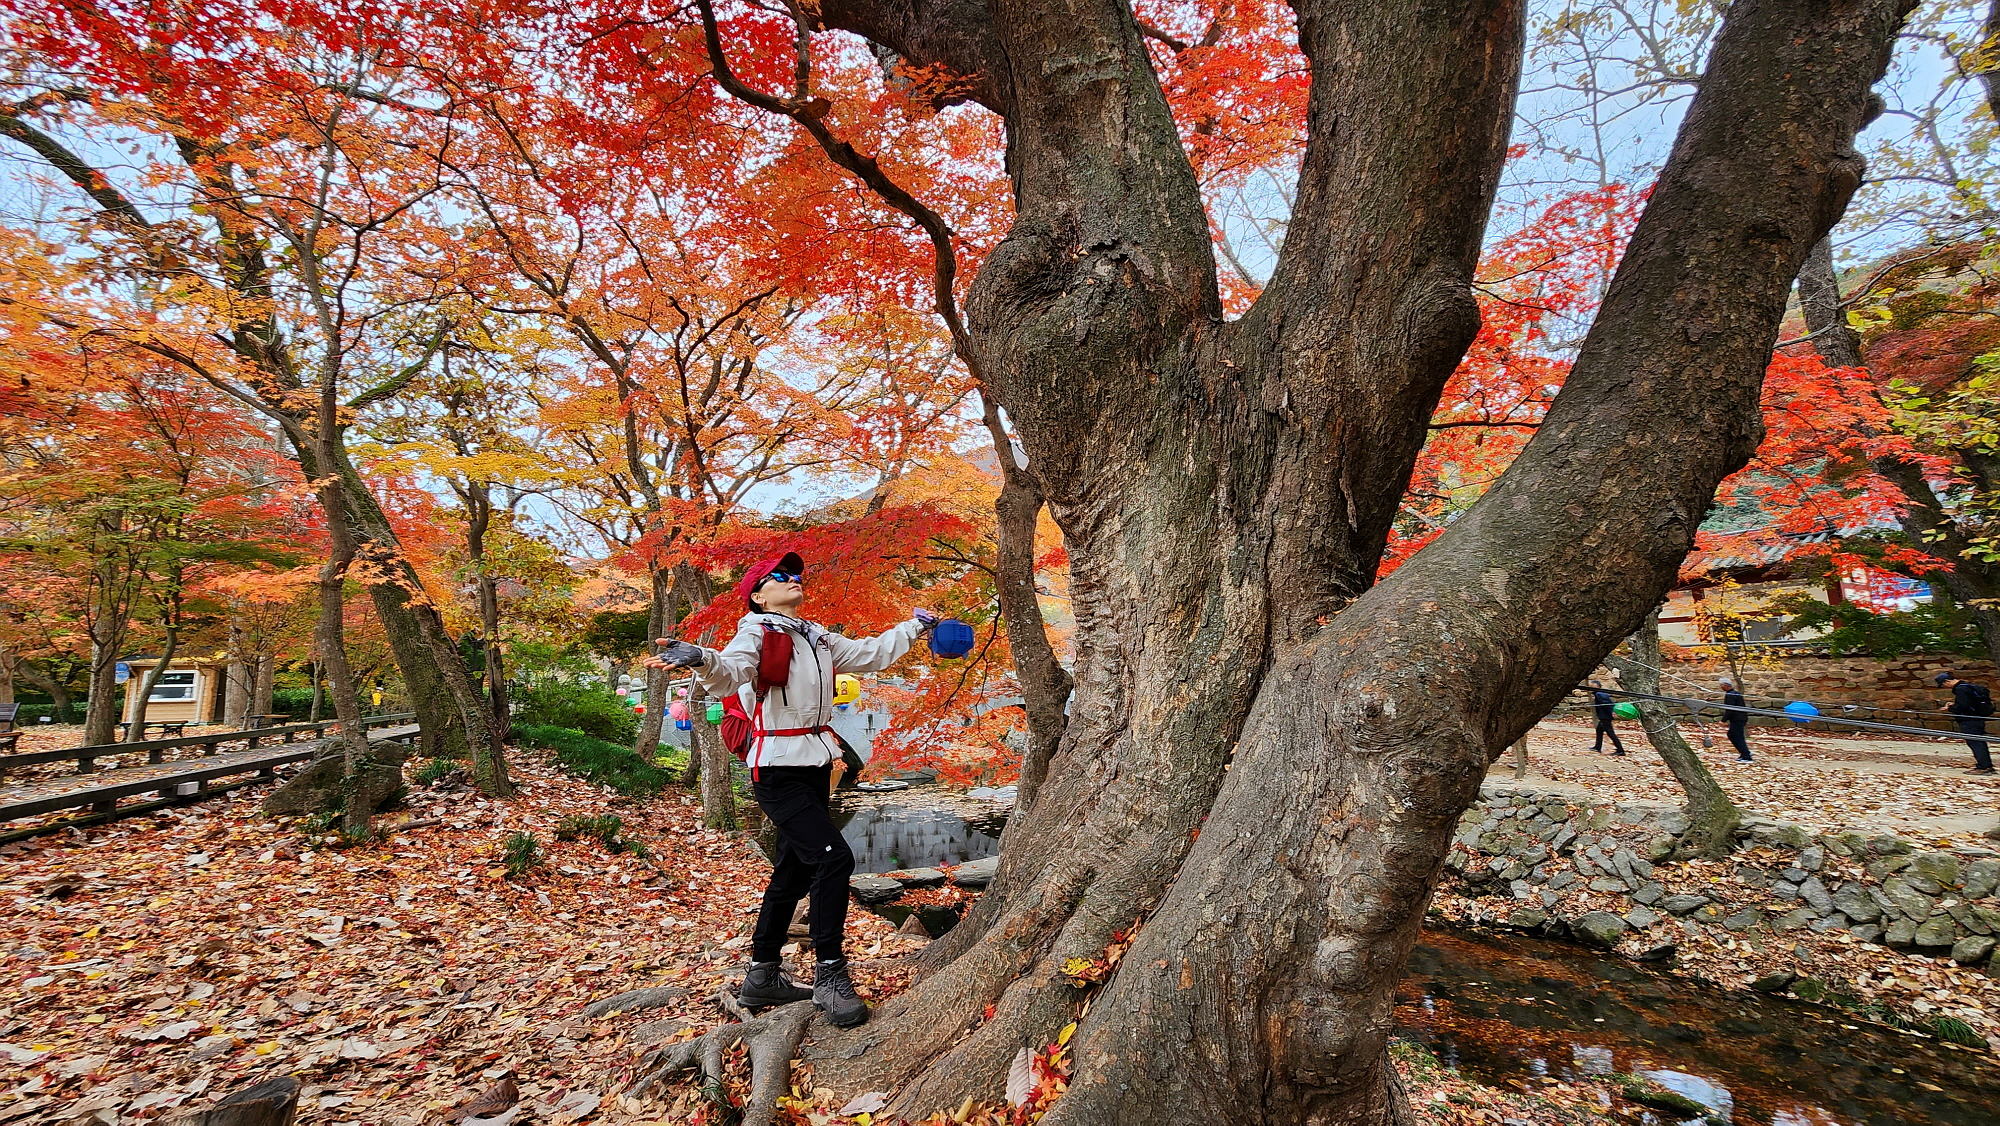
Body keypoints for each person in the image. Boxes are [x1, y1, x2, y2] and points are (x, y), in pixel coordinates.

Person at [646, 550, 935, 1028]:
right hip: (777, 769)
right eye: (779, 576)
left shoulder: (815, 636)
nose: (792, 579)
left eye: (795, 574)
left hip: (814, 763)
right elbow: (731, 671)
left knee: (793, 873)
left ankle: (762, 974)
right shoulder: (756, 631)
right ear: (758, 596)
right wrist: (700, 658)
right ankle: (830, 974)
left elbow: (870, 654)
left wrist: (914, 627)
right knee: (834, 859)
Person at [1935, 671, 1994, 775]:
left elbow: (1963, 707)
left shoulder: (1961, 689)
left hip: (1969, 720)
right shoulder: (1967, 686)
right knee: (1979, 742)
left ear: (1947, 681)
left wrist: (1950, 708)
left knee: (1975, 742)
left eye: (1943, 685)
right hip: (1977, 718)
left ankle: (1984, 766)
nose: (1945, 687)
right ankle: (1985, 765)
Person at [1588, 681, 1626, 755]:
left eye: (1592, 686)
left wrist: (1611, 713)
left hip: (1605, 717)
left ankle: (1620, 750)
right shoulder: (1599, 694)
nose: (1591, 688)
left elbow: (1607, 705)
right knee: (1599, 730)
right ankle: (1597, 747)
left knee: (1611, 734)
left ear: (1598, 686)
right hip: (1603, 717)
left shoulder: (1600, 694)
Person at [1719, 677, 1752, 762]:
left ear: (1726, 685)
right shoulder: (1734, 693)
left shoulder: (1731, 695)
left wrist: (1723, 720)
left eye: (1721, 685)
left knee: (1736, 736)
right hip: (1739, 718)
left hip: (1737, 719)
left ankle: (1746, 756)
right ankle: (1745, 752)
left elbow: (1730, 709)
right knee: (1733, 735)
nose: (1721, 687)